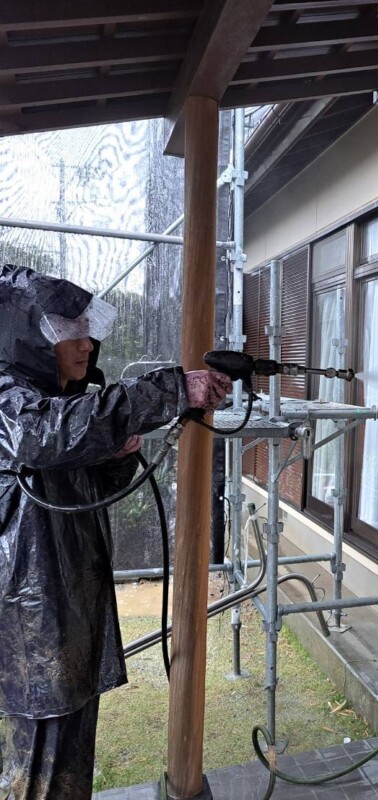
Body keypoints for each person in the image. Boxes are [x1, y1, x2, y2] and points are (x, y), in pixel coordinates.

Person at [0, 264, 232, 799]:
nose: (86, 345)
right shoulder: (11, 398)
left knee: (71, 761)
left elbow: (94, 480)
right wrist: (170, 390)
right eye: (68, 332)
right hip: (28, 625)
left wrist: (118, 449)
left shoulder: (69, 402)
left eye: (87, 329)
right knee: (35, 769)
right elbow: (40, 436)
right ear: (32, 339)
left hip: (70, 611)